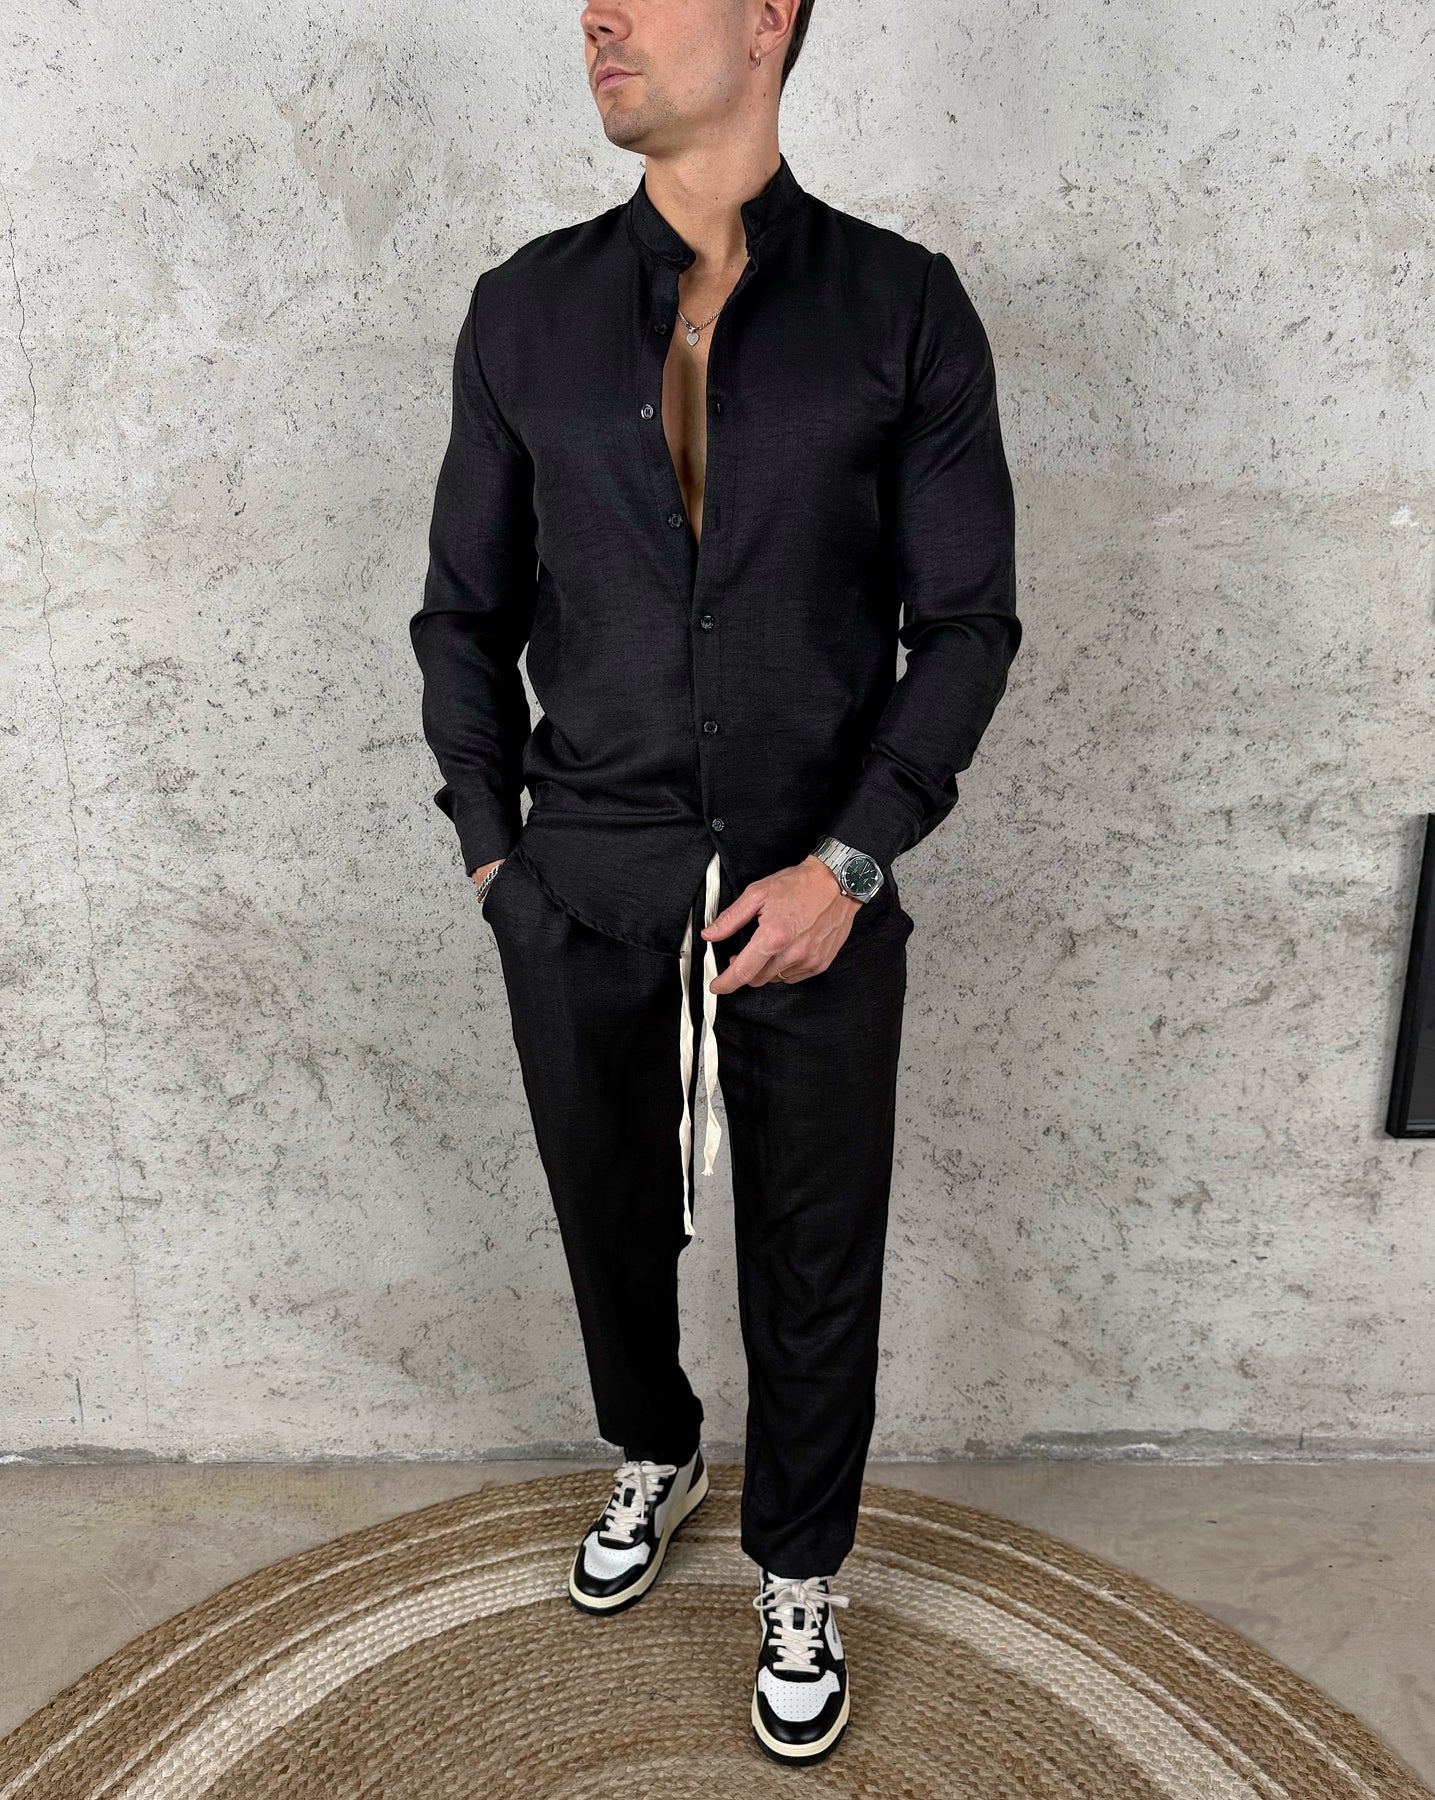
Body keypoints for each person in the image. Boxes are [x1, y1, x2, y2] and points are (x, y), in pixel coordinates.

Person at [409, 0, 1020, 1765]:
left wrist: (852, 861)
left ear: (769, 19)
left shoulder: (903, 307)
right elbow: (465, 614)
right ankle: (655, 1445)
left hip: (813, 889)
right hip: (578, 885)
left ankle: (801, 1566)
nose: (594, 15)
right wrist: (495, 858)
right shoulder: (522, 310)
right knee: (606, 1214)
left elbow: (965, 624)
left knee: (816, 1254)